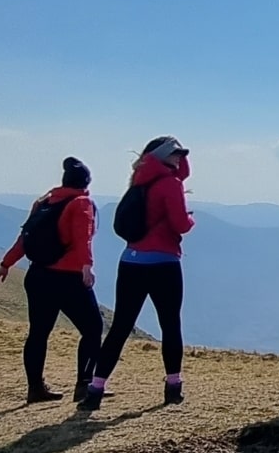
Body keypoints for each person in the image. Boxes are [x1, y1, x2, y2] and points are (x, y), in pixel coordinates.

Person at [79, 137, 194, 411]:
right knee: (170, 323)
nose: (180, 158)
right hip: (164, 262)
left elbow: (179, 172)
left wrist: (176, 159)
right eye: (176, 154)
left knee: (120, 326)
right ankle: (173, 386)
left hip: (130, 261)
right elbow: (181, 225)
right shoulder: (170, 184)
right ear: (164, 157)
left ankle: (95, 389)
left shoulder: (139, 180)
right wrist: (191, 218)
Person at [0, 157, 103, 403]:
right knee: (93, 328)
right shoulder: (81, 203)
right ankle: (84, 385)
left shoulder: (44, 202)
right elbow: (83, 238)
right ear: (86, 182)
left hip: (38, 276)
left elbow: (25, 238)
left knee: (39, 333)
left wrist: (6, 264)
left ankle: (35, 389)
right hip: (69, 278)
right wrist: (87, 267)